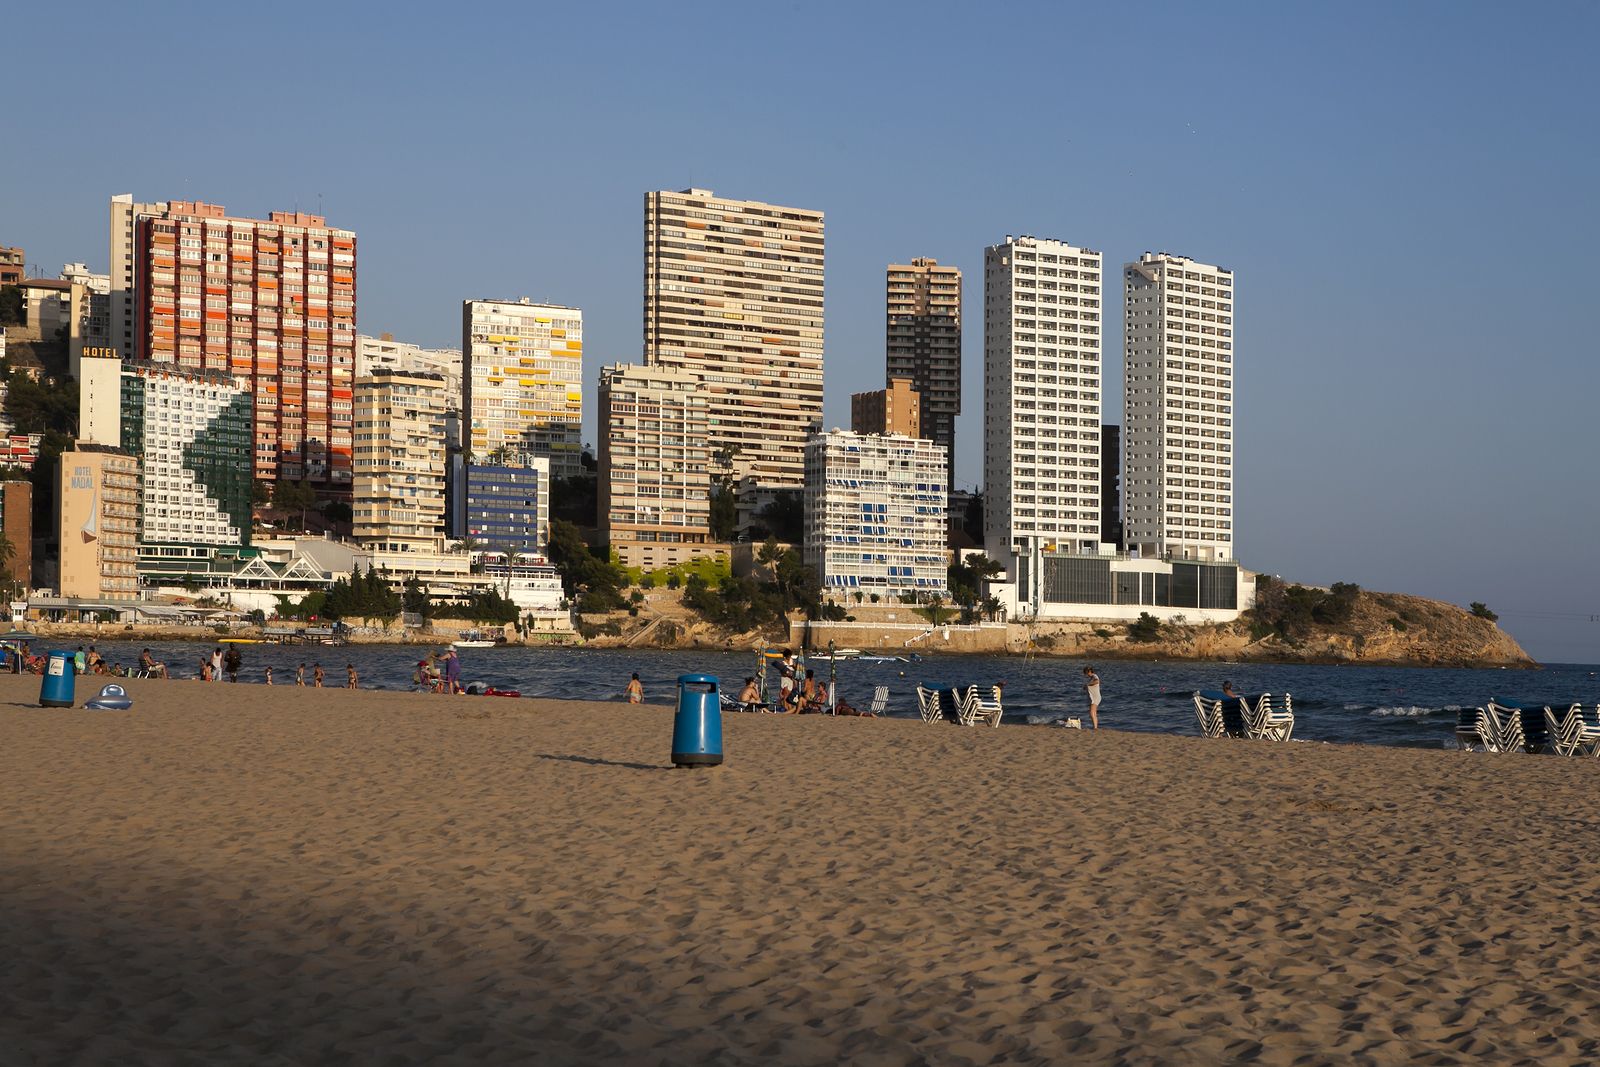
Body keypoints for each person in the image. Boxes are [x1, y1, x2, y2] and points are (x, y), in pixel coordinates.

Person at [1082, 666, 1101, 730]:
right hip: (1092, 697)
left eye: (1086, 673)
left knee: (1091, 712)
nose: (1086, 675)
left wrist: (1088, 685)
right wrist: (1086, 687)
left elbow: (1097, 681)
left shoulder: (1094, 676)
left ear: (1089, 672)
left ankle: (1095, 727)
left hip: (1095, 697)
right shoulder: (1091, 678)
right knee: (1093, 712)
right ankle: (1095, 727)